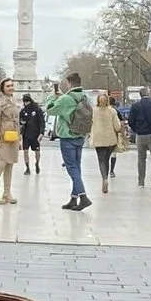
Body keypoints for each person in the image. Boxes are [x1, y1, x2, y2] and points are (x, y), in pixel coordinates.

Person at [47, 72, 92, 211]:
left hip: (67, 137)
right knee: (77, 168)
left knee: (71, 168)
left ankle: (83, 197)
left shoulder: (66, 98)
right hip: (80, 135)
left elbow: (50, 110)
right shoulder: (85, 97)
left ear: (69, 83)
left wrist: (52, 96)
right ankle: (74, 198)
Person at [0, 77, 21, 205]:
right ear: (2, 88)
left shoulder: (13, 101)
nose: (11, 87)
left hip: (13, 136)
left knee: (10, 164)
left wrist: (19, 136)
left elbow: (17, 120)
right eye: (8, 86)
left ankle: (7, 192)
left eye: (12, 85)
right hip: (3, 136)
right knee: (1, 164)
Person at [126, 87, 151, 187]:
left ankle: (141, 182)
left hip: (140, 135)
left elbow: (130, 121)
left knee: (141, 158)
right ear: (148, 93)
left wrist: (137, 130)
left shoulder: (135, 106)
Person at [88, 88, 125, 194]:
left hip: (98, 139)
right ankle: (107, 178)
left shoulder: (94, 111)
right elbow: (117, 126)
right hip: (110, 139)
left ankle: (104, 178)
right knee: (107, 159)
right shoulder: (112, 111)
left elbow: (91, 123)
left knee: (101, 161)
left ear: (98, 101)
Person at [17, 92, 47, 175]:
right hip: (26, 135)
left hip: (35, 135)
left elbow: (42, 122)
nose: (26, 103)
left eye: (28, 101)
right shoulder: (23, 111)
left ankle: (37, 163)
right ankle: (27, 167)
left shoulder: (37, 110)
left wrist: (41, 133)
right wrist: (21, 124)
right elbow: (19, 121)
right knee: (25, 151)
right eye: (25, 102)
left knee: (37, 152)